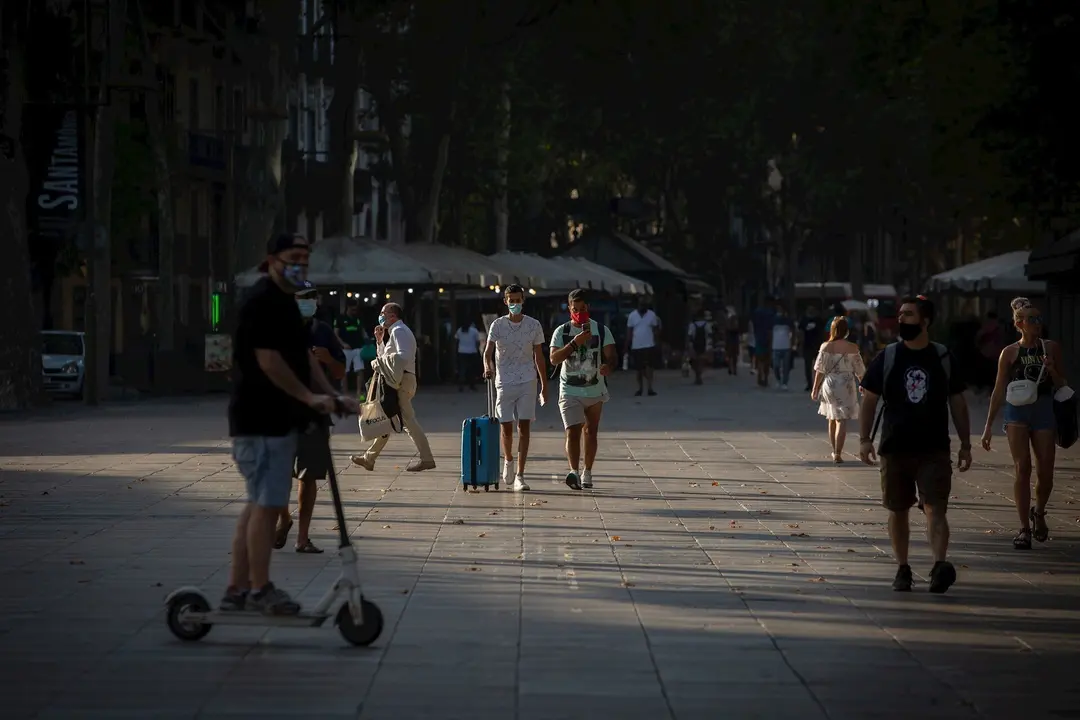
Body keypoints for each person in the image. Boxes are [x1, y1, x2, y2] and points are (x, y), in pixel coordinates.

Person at [225, 233, 356, 615]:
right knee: (267, 505)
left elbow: (304, 358)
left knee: (259, 504)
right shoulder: (261, 302)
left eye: (305, 258)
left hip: (280, 420)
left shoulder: (288, 303)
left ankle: (237, 589)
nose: (300, 264)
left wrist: (331, 394)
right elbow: (269, 362)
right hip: (258, 418)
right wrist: (309, 397)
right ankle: (258, 588)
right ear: (271, 260)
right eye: (293, 257)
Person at [858, 296, 971, 594]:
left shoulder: (943, 357)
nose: (901, 319)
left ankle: (939, 565)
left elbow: (958, 402)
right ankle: (903, 568)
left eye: (908, 314)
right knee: (898, 510)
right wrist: (865, 439)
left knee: (935, 507)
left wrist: (966, 444)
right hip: (895, 447)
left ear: (925, 321)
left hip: (934, 448)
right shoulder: (889, 356)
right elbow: (869, 399)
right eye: (900, 314)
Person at [981, 297, 1068, 549]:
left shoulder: (1051, 348)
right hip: (1016, 411)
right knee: (1022, 468)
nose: (1037, 323)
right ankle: (1024, 529)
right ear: (1019, 323)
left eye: (1039, 318)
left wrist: (1052, 370)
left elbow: (1063, 384)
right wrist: (988, 426)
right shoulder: (1009, 352)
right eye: (1032, 319)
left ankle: (1038, 511)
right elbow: (999, 389)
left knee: (1046, 471)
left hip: (1043, 409)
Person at [273, 282, 345, 555]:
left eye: (312, 297)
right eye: (303, 297)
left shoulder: (322, 331)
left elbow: (340, 372)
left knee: (309, 475)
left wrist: (328, 360)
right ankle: (284, 518)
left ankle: (302, 538)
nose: (308, 302)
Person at [350, 303, 436, 473]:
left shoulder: (399, 331)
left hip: (402, 381)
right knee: (386, 418)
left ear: (393, 315)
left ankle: (427, 459)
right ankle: (369, 459)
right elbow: (387, 357)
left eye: (383, 313)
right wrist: (380, 341)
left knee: (407, 421)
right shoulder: (394, 331)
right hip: (399, 380)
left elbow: (402, 357)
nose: (380, 316)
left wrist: (379, 363)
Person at [483, 284, 549, 492]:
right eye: (511, 301)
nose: (515, 304)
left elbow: (539, 356)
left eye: (518, 300)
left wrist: (544, 385)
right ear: (505, 302)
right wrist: (487, 367)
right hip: (504, 380)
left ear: (523, 301)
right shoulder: (497, 325)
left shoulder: (534, 325)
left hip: (527, 380)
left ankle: (520, 474)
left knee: (524, 426)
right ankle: (508, 459)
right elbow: (487, 352)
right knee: (506, 427)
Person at [551, 289, 618, 490]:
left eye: (583, 309)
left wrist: (608, 366)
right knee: (572, 431)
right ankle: (573, 471)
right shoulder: (562, 332)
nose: (579, 313)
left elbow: (612, 357)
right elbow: (554, 359)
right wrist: (574, 343)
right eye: (575, 309)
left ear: (588, 307)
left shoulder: (602, 330)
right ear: (569, 309)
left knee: (591, 431)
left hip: (595, 390)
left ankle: (587, 471)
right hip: (569, 390)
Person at [811, 317, 865, 463]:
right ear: (846, 330)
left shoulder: (825, 346)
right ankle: (838, 453)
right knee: (841, 420)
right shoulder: (853, 348)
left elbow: (819, 370)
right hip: (846, 384)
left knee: (831, 418)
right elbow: (860, 370)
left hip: (830, 383)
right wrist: (863, 384)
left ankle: (834, 450)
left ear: (832, 330)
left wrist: (815, 389)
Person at [626, 297, 660, 396]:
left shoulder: (652, 315)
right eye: (641, 304)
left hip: (649, 345)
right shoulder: (632, 316)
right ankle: (640, 388)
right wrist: (627, 344)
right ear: (638, 305)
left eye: (644, 305)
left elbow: (656, 330)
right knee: (639, 369)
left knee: (650, 368)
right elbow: (629, 331)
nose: (643, 307)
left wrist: (657, 342)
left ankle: (650, 388)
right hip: (636, 345)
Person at [334, 301, 368, 395]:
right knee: (345, 371)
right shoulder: (340, 318)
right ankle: (345, 393)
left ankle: (359, 392)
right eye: (353, 309)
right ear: (348, 307)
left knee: (360, 369)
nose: (354, 311)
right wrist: (342, 344)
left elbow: (362, 331)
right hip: (346, 349)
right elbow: (335, 334)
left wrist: (367, 341)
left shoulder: (357, 318)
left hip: (358, 348)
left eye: (355, 309)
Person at [975, 310, 1005, 394]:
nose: (990, 324)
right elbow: (977, 341)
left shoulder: (998, 332)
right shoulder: (983, 331)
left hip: (994, 357)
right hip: (986, 356)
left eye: (992, 322)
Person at [752, 298, 777, 387]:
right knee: (767, 359)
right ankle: (765, 378)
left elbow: (754, 325)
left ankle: (760, 377)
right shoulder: (771, 313)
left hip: (759, 336)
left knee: (760, 359)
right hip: (768, 337)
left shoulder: (757, 312)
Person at [798, 305, 824, 391]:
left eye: (812, 310)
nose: (811, 311)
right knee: (807, 366)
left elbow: (822, 332)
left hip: (817, 345)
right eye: (809, 309)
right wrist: (800, 344)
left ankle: (818, 384)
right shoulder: (804, 320)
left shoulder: (819, 320)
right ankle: (809, 384)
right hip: (807, 345)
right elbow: (800, 332)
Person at [771, 303, 795, 390]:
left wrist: (792, 343)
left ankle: (785, 382)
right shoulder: (773, 320)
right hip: (775, 346)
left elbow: (793, 332)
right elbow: (770, 333)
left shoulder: (788, 320)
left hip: (786, 346)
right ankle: (778, 379)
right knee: (776, 365)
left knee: (786, 366)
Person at [455, 320, 482, 392]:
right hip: (472, 351)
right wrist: (477, 350)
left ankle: (461, 385)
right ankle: (472, 385)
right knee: (472, 369)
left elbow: (457, 341)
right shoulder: (474, 331)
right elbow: (477, 342)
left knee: (462, 369)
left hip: (462, 352)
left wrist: (457, 350)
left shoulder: (460, 330)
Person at [686, 310, 711, 385]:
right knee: (701, 361)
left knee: (694, 361)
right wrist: (709, 346)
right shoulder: (707, 325)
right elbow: (709, 336)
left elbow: (690, 336)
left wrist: (689, 346)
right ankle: (699, 375)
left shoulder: (692, 325)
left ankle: (697, 375)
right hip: (703, 344)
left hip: (695, 344)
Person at [724, 307, 741, 375]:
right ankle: (733, 368)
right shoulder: (733, 319)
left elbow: (728, 329)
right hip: (733, 338)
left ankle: (731, 367)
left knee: (731, 354)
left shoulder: (729, 319)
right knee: (733, 355)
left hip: (731, 338)